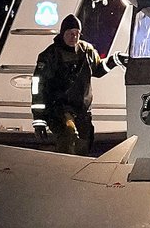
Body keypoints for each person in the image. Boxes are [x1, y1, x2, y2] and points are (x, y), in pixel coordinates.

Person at [31, 13, 126, 155]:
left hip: (82, 109)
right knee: (69, 134)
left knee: (85, 143)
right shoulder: (50, 55)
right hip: (59, 109)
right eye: (70, 33)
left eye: (77, 33)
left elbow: (98, 70)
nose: (74, 37)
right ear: (63, 33)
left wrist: (113, 60)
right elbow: (38, 86)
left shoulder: (87, 51)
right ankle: (65, 170)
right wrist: (39, 119)